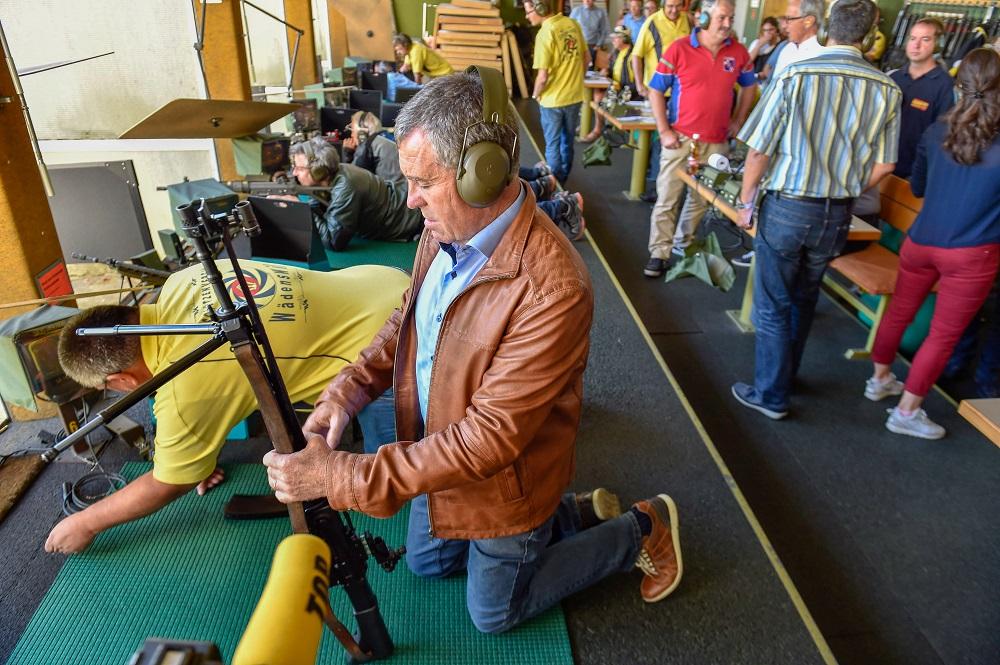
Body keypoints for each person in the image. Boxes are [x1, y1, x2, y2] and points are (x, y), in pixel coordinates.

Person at [262, 70, 683, 634]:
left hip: (507, 479)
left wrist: (340, 476)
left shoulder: (554, 288)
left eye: (423, 182)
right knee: (427, 565)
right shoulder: (444, 227)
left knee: (494, 614)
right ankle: (568, 515)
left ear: (482, 173)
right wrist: (348, 391)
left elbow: (488, 440)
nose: (410, 201)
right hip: (443, 453)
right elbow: (408, 317)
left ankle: (640, 528)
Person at [44, 260, 409, 554]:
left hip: (393, 354)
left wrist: (84, 523)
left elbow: (171, 480)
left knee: (389, 486)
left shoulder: (187, 392)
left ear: (118, 381)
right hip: (388, 279)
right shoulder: (183, 280)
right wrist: (195, 447)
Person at [731, 0, 901, 420]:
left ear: (827, 27)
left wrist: (745, 202)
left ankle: (771, 395)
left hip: (789, 206)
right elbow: (886, 165)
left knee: (772, 304)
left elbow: (758, 149)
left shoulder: (796, 73)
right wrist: (842, 185)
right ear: (870, 31)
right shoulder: (887, 88)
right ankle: (787, 378)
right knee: (805, 299)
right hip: (837, 212)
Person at [864, 48, 1000, 439]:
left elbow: (919, 187)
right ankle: (906, 413)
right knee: (942, 336)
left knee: (899, 313)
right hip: (973, 255)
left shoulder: (937, 130)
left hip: (921, 241)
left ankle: (880, 379)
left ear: (959, 86)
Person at [642, 0, 758, 278]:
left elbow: (749, 86)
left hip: (717, 141)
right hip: (680, 140)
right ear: (703, 17)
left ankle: (684, 243)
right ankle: (659, 252)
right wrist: (664, 130)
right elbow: (656, 90)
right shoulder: (679, 48)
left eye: (731, 18)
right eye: (722, 18)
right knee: (667, 198)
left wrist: (739, 120)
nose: (728, 24)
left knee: (700, 200)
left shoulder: (739, 52)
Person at [285, 138, 423, 251]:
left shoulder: (346, 185)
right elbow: (319, 211)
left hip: (412, 219)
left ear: (318, 170)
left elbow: (334, 242)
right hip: (404, 204)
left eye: (300, 168)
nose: (295, 173)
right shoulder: (331, 177)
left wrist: (302, 209)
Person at [631, 0, 691, 200]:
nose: (674, 11)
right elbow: (636, 56)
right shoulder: (652, 23)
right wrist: (640, 85)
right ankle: (657, 185)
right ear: (663, 6)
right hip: (657, 92)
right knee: (659, 140)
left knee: (676, 141)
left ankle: (667, 186)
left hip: (682, 93)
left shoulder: (688, 22)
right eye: (670, 6)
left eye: (678, 6)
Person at [525, 0, 589, 185]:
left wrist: (536, 94)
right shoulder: (572, 23)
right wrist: (576, 79)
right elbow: (586, 58)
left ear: (540, 9)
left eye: (529, 12)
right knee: (567, 142)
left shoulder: (545, 33)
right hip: (574, 96)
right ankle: (562, 179)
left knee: (552, 144)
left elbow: (543, 76)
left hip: (553, 100)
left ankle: (554, 184)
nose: (527, 16)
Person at [889, 18, 955, 178]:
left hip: (914, 173)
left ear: (937, 45)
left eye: (925, 39)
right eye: (912, 38)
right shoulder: (894, 78)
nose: (916, 45)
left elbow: (942, 137)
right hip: (883, 165)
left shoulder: (945, 86)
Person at [344, 110, 405, 187]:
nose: (352, 135)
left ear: (362, 133)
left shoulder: (369, 144)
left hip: (389, 195)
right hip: (402, 191)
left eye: (353, 131)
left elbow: (351, 179)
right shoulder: (388, 136)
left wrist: (348, 153)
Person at [770, 0, 825, 79]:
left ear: (808, 21)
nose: (784, 26)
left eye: (789, 18)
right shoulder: (788, 48)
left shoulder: (819, 57)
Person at [570, 0, 610, 64]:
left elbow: (603, 30)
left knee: (590, 69)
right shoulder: (576, 10)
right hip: (578, 45)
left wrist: (598, 45)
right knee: (577, 67)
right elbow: (570, 28)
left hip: (593, 47)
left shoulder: (600, 12)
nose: (587, 1)